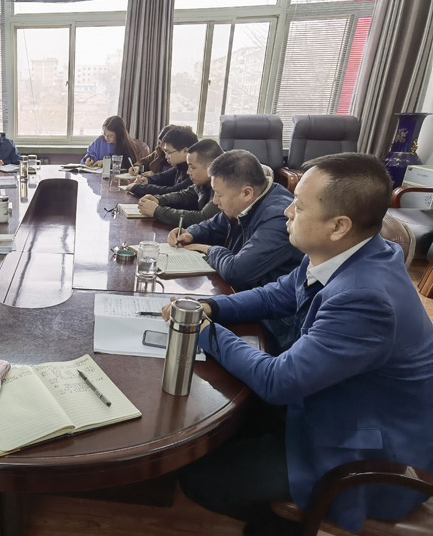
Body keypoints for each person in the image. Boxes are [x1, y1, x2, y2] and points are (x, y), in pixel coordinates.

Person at [166, 153, 433, 536]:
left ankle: (286, 525)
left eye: (300, 206)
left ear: (338, 226)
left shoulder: (366, 299)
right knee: (213, 428)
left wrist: (202, 328)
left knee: (198, 478)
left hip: (361, 453)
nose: (287, 212)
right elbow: (275, 295)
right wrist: (210, 306)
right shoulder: (347, 252)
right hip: (332, 405)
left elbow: (279, 381)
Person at [168, 150, 303, 291]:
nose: (215, 201)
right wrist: (190, 233)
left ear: (246, 193)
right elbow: (214, 225)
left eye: (219, 194)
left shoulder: (279, 218)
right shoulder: (250, 200)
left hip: (268, 299)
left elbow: (236, 272)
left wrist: (209, 250)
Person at [137, 139, 223, 227]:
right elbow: (184, 195)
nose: (188, 172)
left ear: (210, 167)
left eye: (192, 168)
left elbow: (202, 218)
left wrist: (157, 211)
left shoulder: (225, 186)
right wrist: (158, 199)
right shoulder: (203, 182)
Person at [128, 126, 197, 196]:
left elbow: (172, 192)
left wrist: (138, 188)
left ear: (185, 151)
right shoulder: (180, 166)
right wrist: (147, 180)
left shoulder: (194, 172)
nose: (166, 156)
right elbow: (162, 177)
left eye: (168, 152)